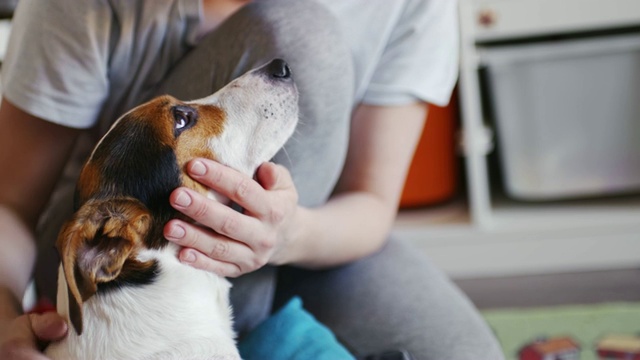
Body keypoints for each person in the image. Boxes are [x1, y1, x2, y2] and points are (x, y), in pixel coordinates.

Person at [0, 0, 505, 359]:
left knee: (464, 353)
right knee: (297, 29)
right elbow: (9, 201)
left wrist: (287, 236)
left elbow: (370, 202)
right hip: (116, 264)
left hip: (311, 238)